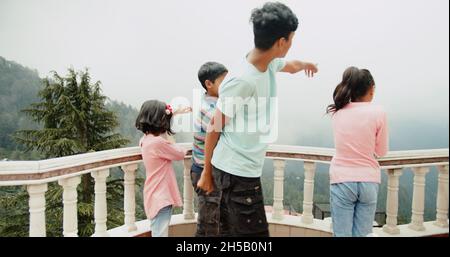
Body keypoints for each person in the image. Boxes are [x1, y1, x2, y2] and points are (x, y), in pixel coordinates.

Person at [197, 2, 318, 236]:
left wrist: (306, 65)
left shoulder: (269, 62)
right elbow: (215, 126)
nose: (292, 45)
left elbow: (291, 65)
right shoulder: (243, 80)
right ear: (281, 42)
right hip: (235, 172)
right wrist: (206, 172)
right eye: (291, 39)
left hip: (244, 170)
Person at [326, 67, 389, 237]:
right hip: (369, 180)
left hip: (342, 179)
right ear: (371, 89)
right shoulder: (379, 112)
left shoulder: (337, 113)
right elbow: (381, 151)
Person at [135, 100, 191, 237]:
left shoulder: (145, 140)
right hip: (162, 196)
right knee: (160, 234)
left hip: (154, 194)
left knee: (158, 232)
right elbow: (179, 153)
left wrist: (173, 113)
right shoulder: (158, 143)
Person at [190, 62, 228, 236]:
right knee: (209, 223)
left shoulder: (214, 105)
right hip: (206, 172)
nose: (228, 85)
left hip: (206, 170)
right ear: (209, 84)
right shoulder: (210, 110)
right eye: (223, 81)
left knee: (210, 219)